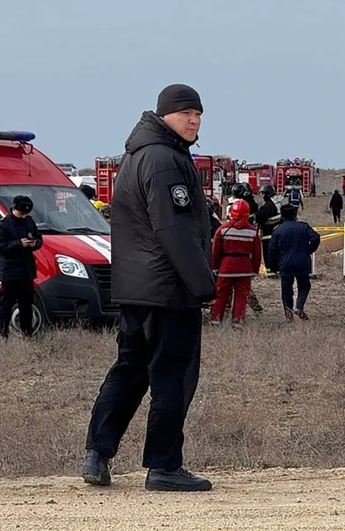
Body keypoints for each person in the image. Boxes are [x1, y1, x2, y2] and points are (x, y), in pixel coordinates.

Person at [82, 84, 216, 492]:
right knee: (172, 375)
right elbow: (172, 228)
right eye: (186, 113)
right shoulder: (165, 160)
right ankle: (164, 467)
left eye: (199, 114)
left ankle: (97, 454)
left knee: (129, 370)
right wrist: (203, 284)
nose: (194, 121)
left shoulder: (137, 155)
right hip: (169, 290)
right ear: (165, 116)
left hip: (136, 288)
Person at [210, 199, 262, 328]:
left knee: (221, 295)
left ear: (231, 213)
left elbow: (216, 251)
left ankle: (215, 320)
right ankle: (237, 322)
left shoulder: (222, 229)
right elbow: (257, 254)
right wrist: (254, 270)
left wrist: (215, 268)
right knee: (241, 296)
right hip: (245, 267)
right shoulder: (252, 231)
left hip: (226, 266)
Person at [0, 195, 43, 339]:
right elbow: (2, 247)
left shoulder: (29, 222)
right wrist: (19, 243)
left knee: (26, 304)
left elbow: (39, 239)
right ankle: (3, 333)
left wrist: (34, 243)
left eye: (26, 213)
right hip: (10, 271)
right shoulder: (4, 225)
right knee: (6, 305)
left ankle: (28, 333)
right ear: (13, 209)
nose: (23, 216)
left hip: (27, 270)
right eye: (21, 213)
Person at [270, 203, 320, 321]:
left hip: (285, 263)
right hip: (302, 262)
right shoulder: (304, 226)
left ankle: (288, 315)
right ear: (295, 214)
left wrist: (273, 267)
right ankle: (299, 305)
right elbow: (315, 238)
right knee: (304, 286)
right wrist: (309, 250)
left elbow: (272, 249)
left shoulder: (278, 230)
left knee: (286, 289)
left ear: (281, 215)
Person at [256, 184, 283, 275]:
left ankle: (270, 271)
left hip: (268, 233)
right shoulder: (277, 203)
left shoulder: (268, 206)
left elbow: (260, 218)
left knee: (268, 253)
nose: (262, 196)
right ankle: (277, 269)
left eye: (263, 194)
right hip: (277, 232)